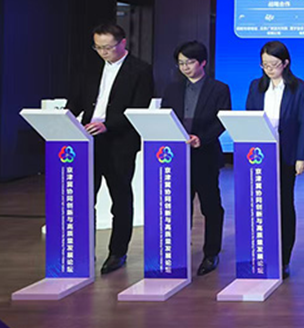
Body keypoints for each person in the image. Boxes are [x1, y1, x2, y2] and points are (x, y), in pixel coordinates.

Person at [66, 23, 154, 275]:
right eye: (98, 47)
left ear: (123, 43)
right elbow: (77, 99)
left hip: (120, 142)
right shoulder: (91, 67)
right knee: (85, 198)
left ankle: (117, 252)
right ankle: (83, 251)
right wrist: (65, 118)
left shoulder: (140, 70)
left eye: (108, 47)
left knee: (120, 198)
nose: (103, 52)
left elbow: (138, 107)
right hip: (88, 140)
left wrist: (108, 125)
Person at [161, 41, 231, 276]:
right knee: (181, 206)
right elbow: (165, 117)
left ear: (203, 62)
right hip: (178, 156)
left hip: (205, 154)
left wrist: (202, 138)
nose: (185, 67)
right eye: (181, 63)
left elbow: (222, 120)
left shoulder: (219, 88)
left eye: (189, 62)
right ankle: (179, 250)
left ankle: (211, 253)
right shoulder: (172, 89)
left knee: (211, 206)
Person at [245, 41, 304, 279]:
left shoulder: (298, 86)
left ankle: (284, 258)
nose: (269, 69)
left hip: (285, 153)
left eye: (274, 64)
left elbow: (302, 123)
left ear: (286, 63)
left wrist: (301, 156)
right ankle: (261, 254)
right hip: (259, 155)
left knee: (284, 204)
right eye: (265, 65)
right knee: (260, 204)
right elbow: (248, 118)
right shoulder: (256, 86)